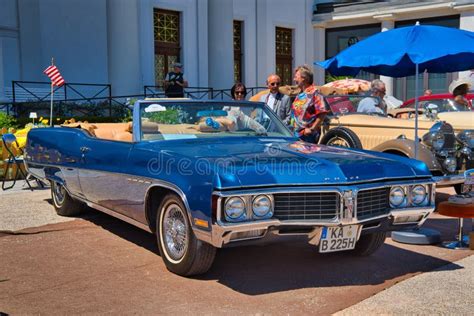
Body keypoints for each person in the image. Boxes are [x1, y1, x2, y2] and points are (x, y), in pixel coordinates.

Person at [290, 65, 328, 143]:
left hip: (307, 136)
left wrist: (312, 129)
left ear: (304, 79)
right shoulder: (300, 94)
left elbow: (322, 112)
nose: (294, 79)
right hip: (296, 135)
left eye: (296, 77)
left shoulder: (314, 92)